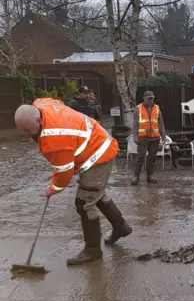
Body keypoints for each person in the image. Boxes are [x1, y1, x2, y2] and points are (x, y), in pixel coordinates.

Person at [14, 99, 132, 265]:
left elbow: (64, 171)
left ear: (39, 120)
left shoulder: (55, 138)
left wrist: (53, 189)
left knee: (84, 202)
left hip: (98, 155)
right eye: (22, 131)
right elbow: (57, 101)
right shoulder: (41, 104)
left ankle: (93, 250)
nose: (25, 134)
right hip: (95, 142)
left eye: (27, 130)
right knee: (94, 194)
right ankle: (121, 227)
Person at [131, 91, 167, 185]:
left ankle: (150, 176)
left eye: (152, 98)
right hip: (142, 138)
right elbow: (135, 124)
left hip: (154, 139)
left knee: (152, 158)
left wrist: (163, 135)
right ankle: (136, 176)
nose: (151, 100)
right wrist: (135, 136)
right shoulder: (138, 109)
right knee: (140, 157)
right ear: (144, 98)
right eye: (149, 98)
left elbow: (161, 123)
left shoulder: (157, 108)